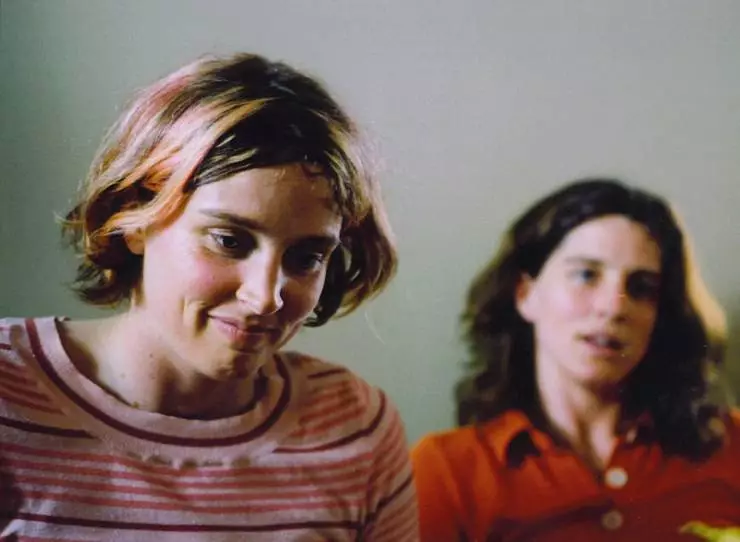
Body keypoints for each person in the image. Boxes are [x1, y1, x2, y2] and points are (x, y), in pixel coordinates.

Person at [0, 53, 418, 541]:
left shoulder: (356, 427)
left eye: (306, 257)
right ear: (135, 218)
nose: (265, 297)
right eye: (229, 241)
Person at [411, 178, 740, 541]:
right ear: (525, 294)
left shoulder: (731, 444)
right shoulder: (447, 470)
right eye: (585, 275)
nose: (613, 306)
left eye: (641, 287)